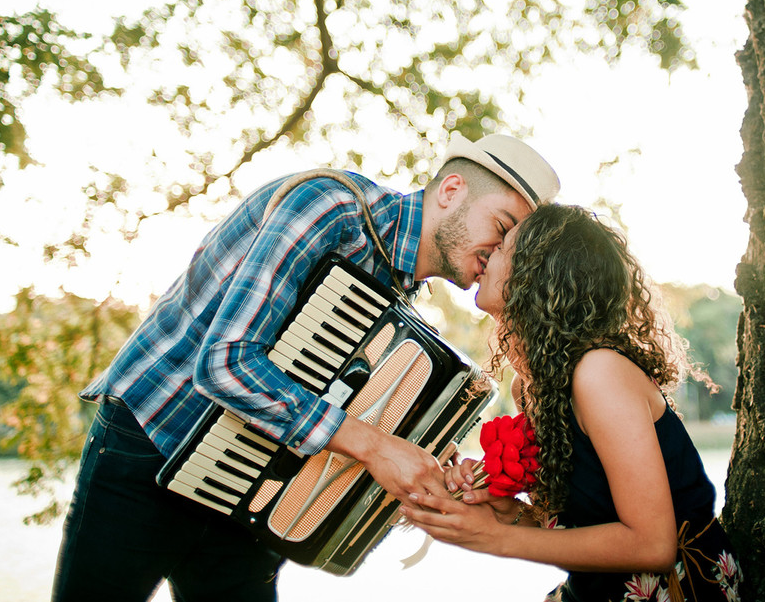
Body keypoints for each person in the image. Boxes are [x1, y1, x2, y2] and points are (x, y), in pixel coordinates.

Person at [51, 132, 560, 602]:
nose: (501, 256)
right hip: (149, 445)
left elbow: (326, 394)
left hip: (240, 486)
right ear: (450, 190)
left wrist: (430, 465)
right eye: (502, 228)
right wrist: (378, 447)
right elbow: (226, 365)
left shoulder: (402, 297)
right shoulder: (330, 207)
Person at [401, 203, 743, 602]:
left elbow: (654, 546)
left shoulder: (600, 374)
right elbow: (573, 531)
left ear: (537, 276)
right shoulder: (530, 388)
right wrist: (504, 511)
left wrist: (496, 538)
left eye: (504, 247)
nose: (490, 252)